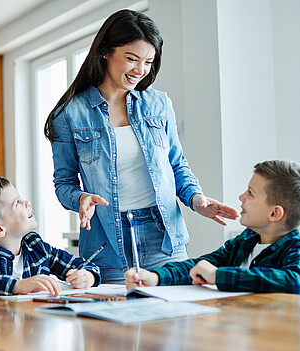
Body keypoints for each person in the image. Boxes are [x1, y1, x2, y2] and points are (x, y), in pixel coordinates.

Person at [44, 9, 239, 283]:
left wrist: (197, 200)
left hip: (164, 238)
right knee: (113, 324)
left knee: (174, 323)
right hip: (107, 244)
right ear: (105, 52)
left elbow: (177, 165)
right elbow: (63, 183)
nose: (140, 70)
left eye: (148, 61)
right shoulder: (69, 114)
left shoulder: (159, 105)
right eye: (131, 59)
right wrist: (80, 199)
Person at [125, 160, 300, 295]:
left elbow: (294, 282)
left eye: (250, 193)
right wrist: (156, 277)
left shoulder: (299, 248)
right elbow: (201, 266)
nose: (241, 197)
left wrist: (218, 276)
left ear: (274, 214)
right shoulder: (245, 241)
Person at [0, 177, 101, 297]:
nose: (27, 202)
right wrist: (17, 285)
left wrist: (88, 275)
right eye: (17, 203)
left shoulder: (36, 247)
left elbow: (83, 265)